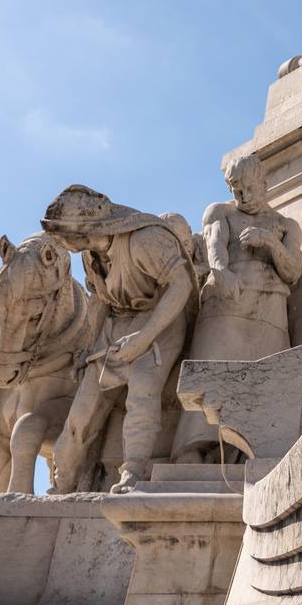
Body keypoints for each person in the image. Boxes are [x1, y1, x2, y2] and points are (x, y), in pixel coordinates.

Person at [42, 185, 198, 494]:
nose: (61, 242)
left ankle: (133, 473)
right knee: (82, 411)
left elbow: (181, 285)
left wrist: (144, 339)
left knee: (142, 388)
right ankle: (61, 483)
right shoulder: (90, 255)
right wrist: (87, 349)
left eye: (63, 234)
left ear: (84, 228)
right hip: (117, 323)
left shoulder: (145, 239)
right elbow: (100, 301)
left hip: (161, 320)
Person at [171, 153, 302, 462]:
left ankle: (247, 450)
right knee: (209, 377)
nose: (241, 196)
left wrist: (270, 243)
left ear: (264, 184)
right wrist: (222, 271)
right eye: (235, 189)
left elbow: (293, 271)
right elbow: (215, 246)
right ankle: (193, 449)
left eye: (248, 188)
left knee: (261, 384)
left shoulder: (286, 225)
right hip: (225, 306)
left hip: (269, 310)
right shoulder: (221, 212)